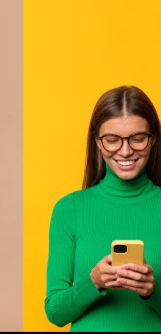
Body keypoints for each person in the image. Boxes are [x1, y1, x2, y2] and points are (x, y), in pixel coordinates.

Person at [45, 85, 161, 330]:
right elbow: (55, 312)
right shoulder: (70, 209)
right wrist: (93, 282)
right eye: (112, 140)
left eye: (138, 138)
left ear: (153, 139)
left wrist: (153, 290)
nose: (126, 151)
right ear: (97, 142)